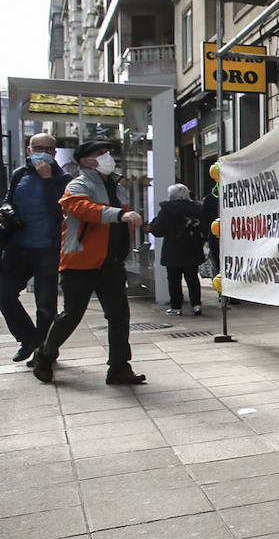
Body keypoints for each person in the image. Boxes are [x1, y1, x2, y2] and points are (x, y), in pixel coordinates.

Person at [31, 140, 145, 385]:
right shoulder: (78, 185)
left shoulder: (115, 184)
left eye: (107, 152)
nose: (107, 157)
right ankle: (44, 355)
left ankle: (119, 367)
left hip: (112, 262)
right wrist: (119, 214)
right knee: (72, 315)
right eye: (100, 153)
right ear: (85, 161)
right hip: (80, 262)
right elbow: (84, 209)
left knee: (118, 315)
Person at [1, 133, 70, 364]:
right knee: (4, 293)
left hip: (48, 249)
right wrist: (8, 209)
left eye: (48, 149)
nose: (43, 152)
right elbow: (8, 198)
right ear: (29, 150)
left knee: (45, 304)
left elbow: (61, 210)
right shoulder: (19, 174)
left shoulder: (63, 179)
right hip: (18, 247)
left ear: (55, 153)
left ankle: (44, 351)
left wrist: (48, 179)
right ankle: (27, 339)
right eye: (38, 148)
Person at [148, 184, 206, 316]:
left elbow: (158, 231)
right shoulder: (197, 209)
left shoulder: (166, 210)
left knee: (174, 279)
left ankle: (176, 306)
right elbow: (204, 227)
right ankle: (196, 305)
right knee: (192, 278)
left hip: (173, 250)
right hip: (193, 248)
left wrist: (152, 224)